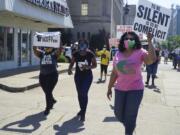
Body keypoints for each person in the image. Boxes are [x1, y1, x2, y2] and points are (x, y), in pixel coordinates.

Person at [107, 32, 156, 135]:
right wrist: (109, 88)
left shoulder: (140, 52)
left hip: (135, 90)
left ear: (135, 41)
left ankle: (129, 130)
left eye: (131, 39)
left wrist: (150, 42)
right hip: (120, 89)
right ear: (123, 41)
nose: (129, 41)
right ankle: (130, 125)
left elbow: (152, 60)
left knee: (130, 115)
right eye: (126, 39)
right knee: (118, 113)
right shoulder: (118, 53)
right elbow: (115, 72)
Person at [68, 40, 97, 122]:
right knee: (80, 94)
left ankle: (83, 113)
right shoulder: (75, 54)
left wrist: (88, 67)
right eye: (80, 45)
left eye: (84, 45)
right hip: (78, 77)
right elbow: (72, 63)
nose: (82, 47)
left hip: (87, 77)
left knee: (84, 93)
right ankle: (82, 109)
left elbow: (95, 65)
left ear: (87, 46)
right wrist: (69, 69)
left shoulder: (90, 54)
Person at [33, 46, 61, 115]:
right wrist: (35, 42)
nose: (47, 48)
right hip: (42, 75)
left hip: (52, 75)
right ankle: (52, 100)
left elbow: (60, 49)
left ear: (52, 48)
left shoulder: (54, 55)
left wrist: (59, 40)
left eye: (49, 47)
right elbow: (34, 49)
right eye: (46, 47)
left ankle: (48, 108)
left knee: (48, 91)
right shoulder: (42, 54)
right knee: (46, 91)